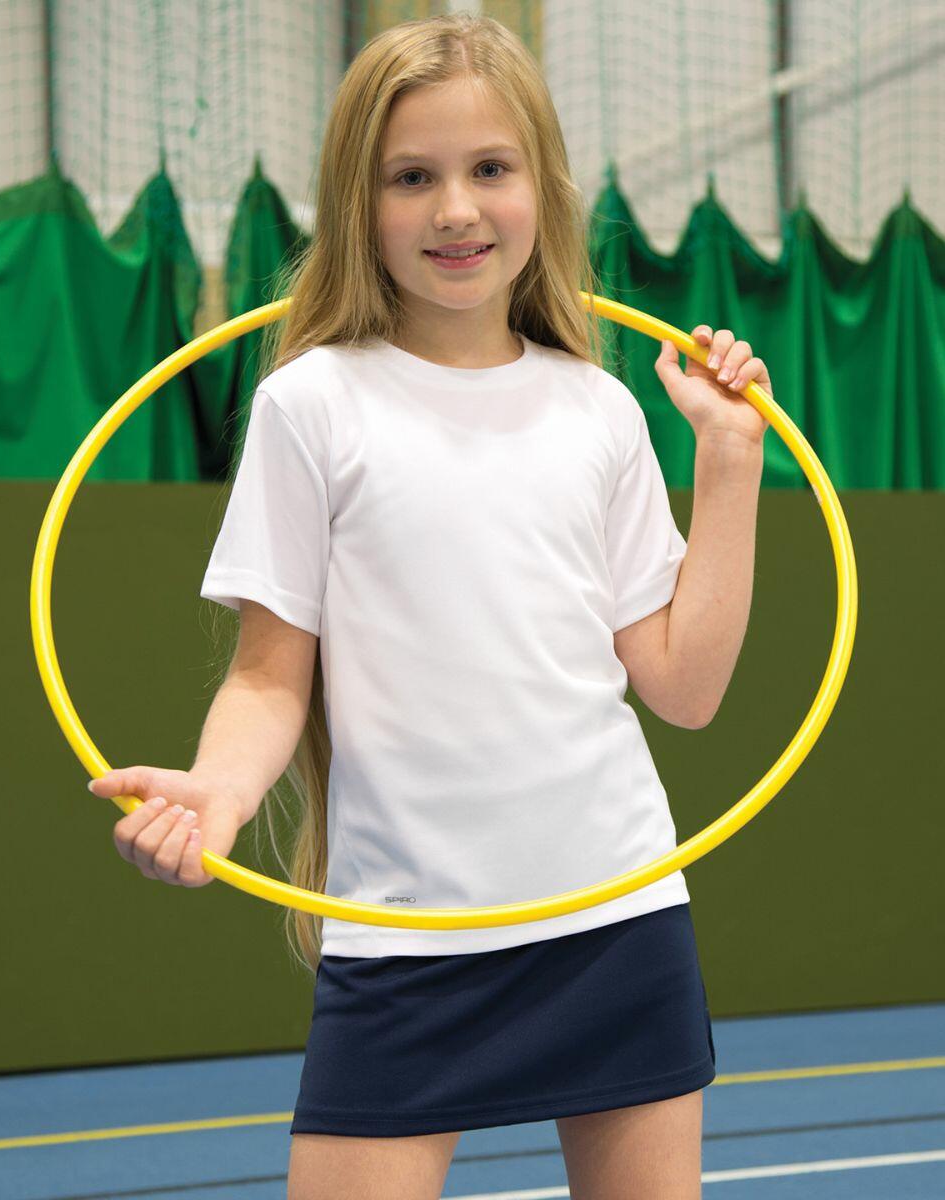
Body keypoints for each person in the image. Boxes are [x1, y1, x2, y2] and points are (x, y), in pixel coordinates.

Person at [88, 12, 771, 1198]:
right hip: (408, 941)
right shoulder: (313, 407)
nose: (455, 209)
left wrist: (727, 464)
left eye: (488, 170)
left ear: (539, 190)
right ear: (361, 202)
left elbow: (686, 689)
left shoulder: (599, 411)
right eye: (413, 177)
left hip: (614, 913)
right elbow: (265, 676)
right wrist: (220, 795)